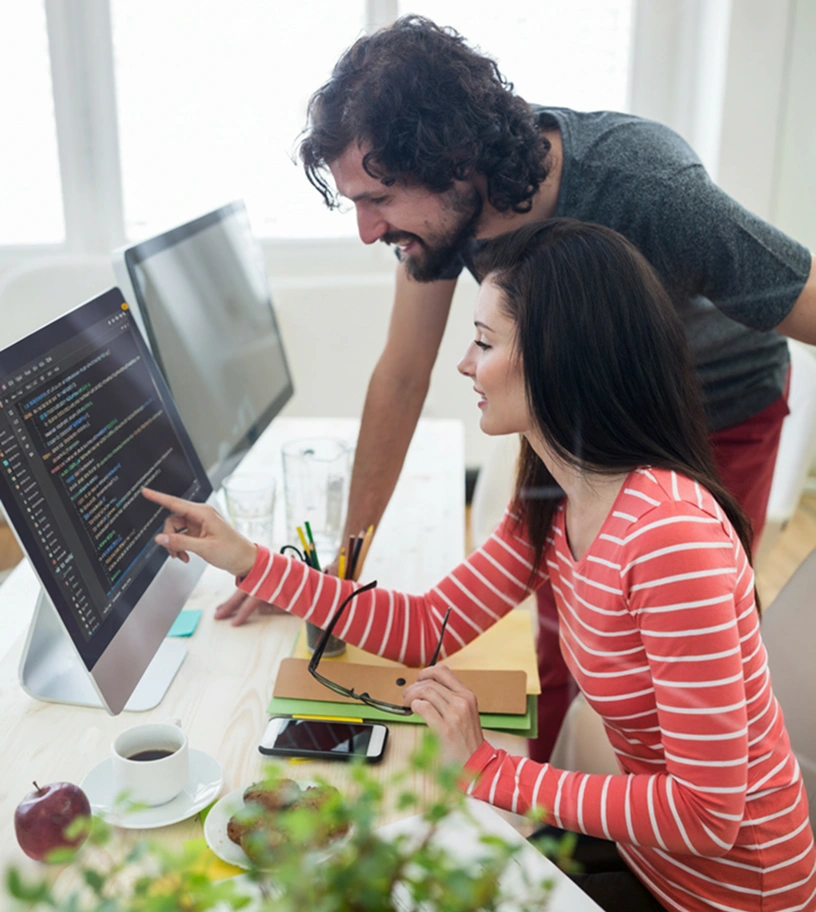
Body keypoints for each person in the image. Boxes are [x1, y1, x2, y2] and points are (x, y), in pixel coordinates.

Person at [144, 220, 815, 912]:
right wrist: (247, 558)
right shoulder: (559, 495)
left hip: (726, 895)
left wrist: (489, 768)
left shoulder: (671, 540)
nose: (465, 364)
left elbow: (707, 815)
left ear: (559, 358)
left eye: (486, 342)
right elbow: (426, 626)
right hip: (649, 859)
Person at [214, 16, 816, 763]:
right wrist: (340, 569)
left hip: (714, 410)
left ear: (454, 163)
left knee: (660, 664)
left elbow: (804, 295)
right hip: (571, 418)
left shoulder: (649, 187)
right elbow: (401, 375)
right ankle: (559, 808)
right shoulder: (439, 219)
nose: (368, 231)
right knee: (563, 642)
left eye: (379, 198)